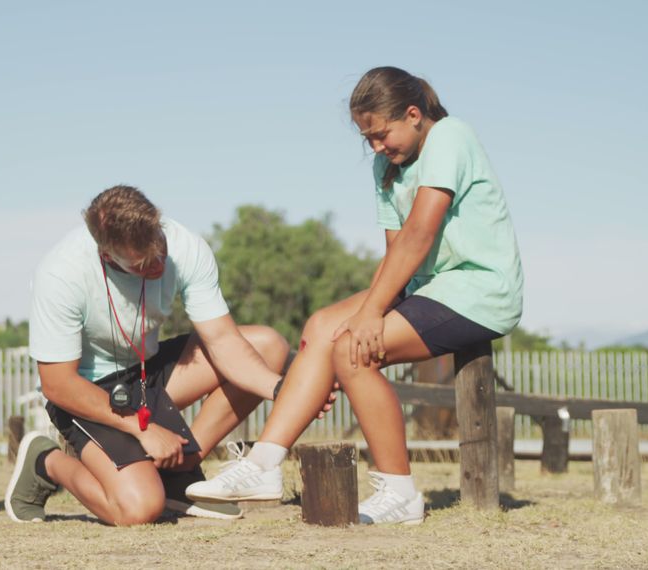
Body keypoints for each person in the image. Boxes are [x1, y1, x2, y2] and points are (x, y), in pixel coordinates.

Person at [186, 66, 524, 525]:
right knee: (322, 326)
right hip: (429, 287)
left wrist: (370, 314)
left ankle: (399, 491)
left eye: (383, 135)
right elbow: (394, 255)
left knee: (352, 350)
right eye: (368, 139)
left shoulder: (450, 136)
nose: (377, 147)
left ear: (413, 114)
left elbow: (420, 233)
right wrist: (369, 307)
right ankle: (264, 464)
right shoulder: (387, 167)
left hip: (480, 290)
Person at [6, 185, 315, 526]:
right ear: (107, 255)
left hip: (143, 372)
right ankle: (45, 462)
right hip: (86, 391)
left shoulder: (185, 246)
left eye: (160, 250)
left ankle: (179, 472)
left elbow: (224, 343)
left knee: (267, 345)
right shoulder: (61, 274)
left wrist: (285, 389)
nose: (158, 264)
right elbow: (58, 385)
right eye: (142, 263)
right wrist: (144, 430)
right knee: (139, 510)